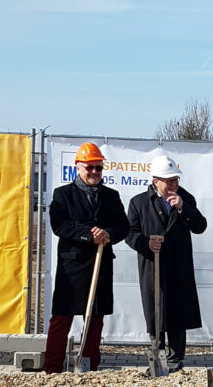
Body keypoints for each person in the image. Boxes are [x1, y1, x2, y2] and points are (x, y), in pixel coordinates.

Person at [43, 142, 130, 373]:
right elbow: (59, 225)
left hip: (100, 265)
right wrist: (88, 234)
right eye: (89, 168)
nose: (94, 173)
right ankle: (52, 369)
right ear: (78, 168)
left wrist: (108, 233)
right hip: (72, 266)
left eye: (98, 168)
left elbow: (123, 226)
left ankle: (88, 367)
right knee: (62, 318)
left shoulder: (111, 196)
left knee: (95, 319)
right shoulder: (63, 194)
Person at [125, 155, 207, 373]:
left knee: (178, 313)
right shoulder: (139, 203)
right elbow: (130, 234)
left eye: (175, 180)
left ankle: (176, 360)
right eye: (168, 181)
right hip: (153, 267)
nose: (173, 185)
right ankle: (157, 356)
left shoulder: (185, 198)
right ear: (155, 181)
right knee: (156, 312)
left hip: (179, 265)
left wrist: (183, 209)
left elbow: (200, 226)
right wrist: (145, 243)